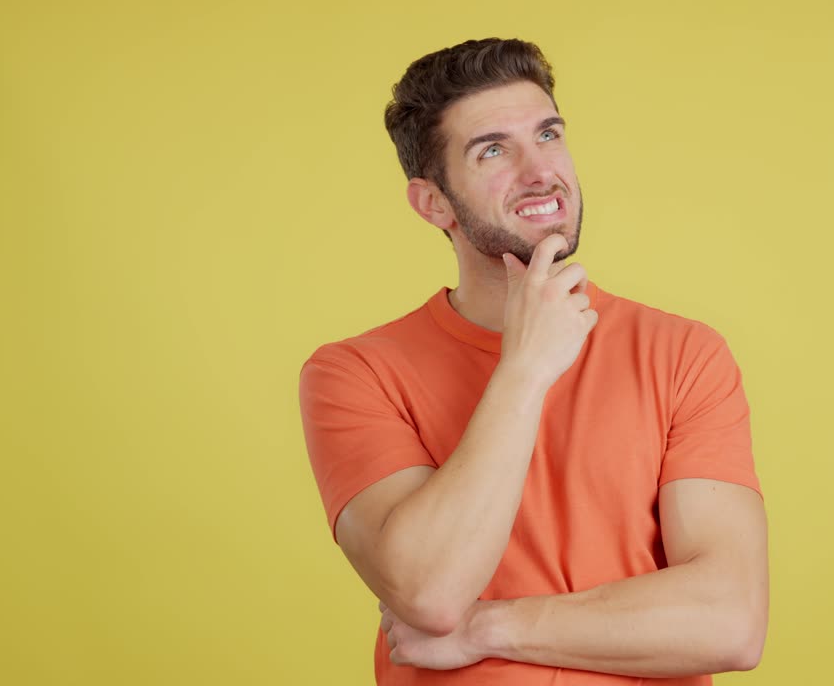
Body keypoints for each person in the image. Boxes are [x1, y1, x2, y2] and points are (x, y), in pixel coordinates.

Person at [298, 37, 768, 685]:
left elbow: (729, 622)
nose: (539, 170)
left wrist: (487, 627)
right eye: (493, 150)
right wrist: (524, 368)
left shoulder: (682, 352)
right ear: (432, 202)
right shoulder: (354, 374)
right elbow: (430, 593)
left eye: (548, 135)